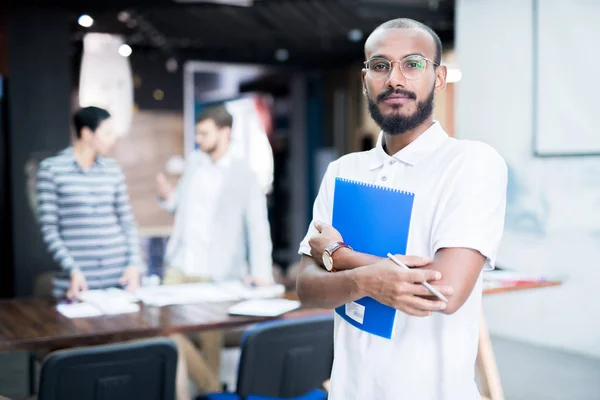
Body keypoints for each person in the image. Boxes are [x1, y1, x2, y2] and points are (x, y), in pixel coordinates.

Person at [296, 18, 507, 400]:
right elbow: (306, 287)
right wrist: (365, 279)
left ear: (438, 78)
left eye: (412, 64)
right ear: (365, 80)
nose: (395, 79)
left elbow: (443, 292)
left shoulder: (472, 163)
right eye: (380, 66)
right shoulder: (342, 171)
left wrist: (337, 256)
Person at [156, 104, 273, 399]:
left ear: (225, 132)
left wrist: (262, 272)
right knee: (164, 330)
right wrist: (166, 197)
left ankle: (206, 392)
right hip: (180, 265)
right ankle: (213, 390)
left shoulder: (244, 174)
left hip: (216, 271)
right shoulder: (194, 163)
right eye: (197, 132)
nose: (198, 138)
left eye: (204, 132)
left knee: (211, 343)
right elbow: (178, 205)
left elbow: (257, 226)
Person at [36, 106, 143, 299]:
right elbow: (49, 230)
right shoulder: (51, 169)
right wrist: (72, 269)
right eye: (107, 132)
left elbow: (127, 221)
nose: (113, 138)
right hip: (77, 282)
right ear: (87, 133)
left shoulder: (113, 169)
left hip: (117, 280)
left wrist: (134, 264)